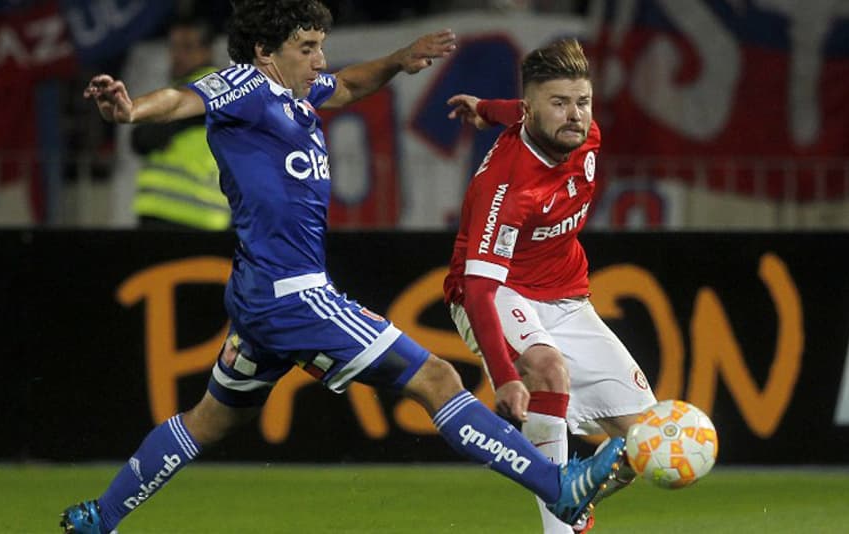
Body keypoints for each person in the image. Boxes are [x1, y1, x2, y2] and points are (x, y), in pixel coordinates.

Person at [62, 2, 625, 533]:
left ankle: (100, 516)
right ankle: (557, 485)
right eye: (306, 47)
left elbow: (352, 84)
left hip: (262, 295)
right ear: (265, 50)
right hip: (295, 296)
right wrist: (132, 109)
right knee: (437, 379)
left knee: (210, 420)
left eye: (321, 46)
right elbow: (184, 98)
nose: (320, 60)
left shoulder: (299, 95)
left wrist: (400, 60)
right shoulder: (245, 86)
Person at [442, 39, 657, 533]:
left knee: (647, 443)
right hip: (498, 291)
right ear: (534, 108)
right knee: (548, 370)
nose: (575, 115)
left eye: (582, 102)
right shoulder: (507, 186)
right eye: (559, 104)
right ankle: (561, 528)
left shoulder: (582, 133)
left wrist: (484, 108)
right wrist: (506, 376)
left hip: (567, 297)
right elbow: (478, 292)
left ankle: (572, 500)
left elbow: (518, 110)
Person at [129, 17, 231, 230]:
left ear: (207, 51)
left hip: (195, 217)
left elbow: (147, 136)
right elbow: (140, 139)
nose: (178, 55)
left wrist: (162, 129)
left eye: (187, 47)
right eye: (173, 46)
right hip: (165, 213)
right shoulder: (178, 89)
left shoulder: (216, 86)